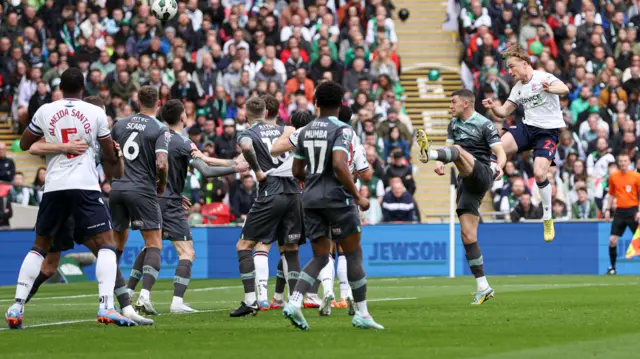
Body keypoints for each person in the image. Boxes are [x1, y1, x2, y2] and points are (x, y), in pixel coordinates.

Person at [7, 68, 136, 328]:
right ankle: (106, 306)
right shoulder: (96, 113)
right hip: (85, 186)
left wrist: (57, 146)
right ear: (83, 88)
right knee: (107, 244)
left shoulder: (45, 110)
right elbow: (111, 161)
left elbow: (24, 144)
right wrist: (112, 151)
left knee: (39, 247)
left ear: (60, 87)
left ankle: (17, 306)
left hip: (54, 187)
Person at [23, 96, 153, 326]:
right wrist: (63, 147)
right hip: (65, 198)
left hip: (80, 202)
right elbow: (32, 145)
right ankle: (20, 304)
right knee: (51, 266)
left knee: (105, 249)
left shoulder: (100, 141)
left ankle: (125, 307)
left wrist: (118, 155)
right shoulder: (74, 129)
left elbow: (117, 173)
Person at [124, 99, 246, 313]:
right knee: (187, 252)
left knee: (150, 246)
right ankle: (177, 302)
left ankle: (130, 294)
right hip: (169, 202)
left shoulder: (154, 136)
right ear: (183, 117)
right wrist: (235, 168)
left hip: (150, 197)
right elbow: (206, 171)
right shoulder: (183, 142)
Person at [286, 81, 384, 330]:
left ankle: (294, 302)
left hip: (310, 198)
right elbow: (340, 165)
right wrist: (358, 196)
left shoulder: (305, 131)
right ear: (341, 104)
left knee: (320, 255)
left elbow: (297, 169)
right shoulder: (344, 130)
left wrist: (314, 183)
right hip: (339, 200)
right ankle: (362, 313)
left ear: (316, 103)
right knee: (353, 253)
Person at [417, 89, 507, 305]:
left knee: (458, 149)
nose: (451, 106)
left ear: (466, 103)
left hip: (483, 172)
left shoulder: (485, 124)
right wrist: (441, 162)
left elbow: (501, 152)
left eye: (453, 102)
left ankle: (429, 153)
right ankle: (483, 286)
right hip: (466, 181)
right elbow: (449, 149)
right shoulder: (453, 124)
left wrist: (500, 167)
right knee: (468, 235)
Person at [481, 44, 569, 242]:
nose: (510, 71)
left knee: (539, 173)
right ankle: (496, 170)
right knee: (498, 146)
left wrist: (550, 88)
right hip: (528, 128)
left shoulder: (543, 77)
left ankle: (547, 217)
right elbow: (504, 112)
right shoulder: (518, 88)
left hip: (547, 132)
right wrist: (493, 107)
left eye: (512, 67)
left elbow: (564, 88)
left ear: (524, 63)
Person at [229, 96, 303, 317]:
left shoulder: (247, 133)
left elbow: (246, 147)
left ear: (246, 115)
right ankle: (295, 302)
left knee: (244, 245)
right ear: (268, 112)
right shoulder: (285, 131)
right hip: (293, 192)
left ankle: (251, 300)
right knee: (290, 248)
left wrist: (258, 170)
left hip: (271, 193)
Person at [110, 85, 170, 315]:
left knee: (114, 247)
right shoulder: (159, 128)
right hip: (142, 190)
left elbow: (107, 154)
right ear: (158, 103)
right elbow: (162, 163)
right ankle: (144, 296)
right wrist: (162, 184)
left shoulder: (120, 124)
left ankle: (110, 298)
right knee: (154, 242)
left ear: (137, 102)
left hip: (117, 188)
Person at [603, 153, 640, 275]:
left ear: (629, 162)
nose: (623, 163)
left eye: (625, 161)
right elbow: (611, 194)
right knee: (612, 240)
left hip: (633, 211)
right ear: (618, 163)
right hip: (620, 212)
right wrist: (607, 209)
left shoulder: (636, 176)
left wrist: (639, 211)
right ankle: (612, 268)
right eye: (621, 161)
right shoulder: (614, 176)